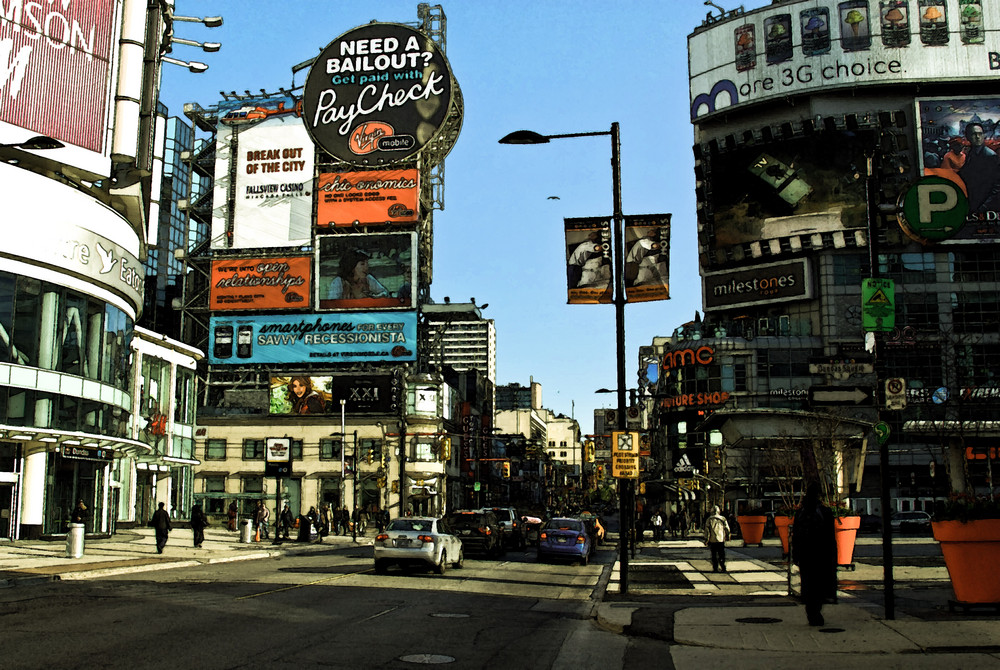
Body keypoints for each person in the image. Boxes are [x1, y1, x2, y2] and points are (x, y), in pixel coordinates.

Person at [792, 481, 837, 626]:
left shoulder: (801, 513)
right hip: (820, 553)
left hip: (807, 554)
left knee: (808, 582)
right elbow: (830, 537)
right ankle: (815, 610)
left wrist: (796, 554)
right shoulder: (824, 512)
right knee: (819, 583)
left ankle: (812, 609)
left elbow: (796, 536)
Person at [958, 122, 1000, 213]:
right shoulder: (971, 152)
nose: (977, 137)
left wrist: (983, 207)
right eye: (974, 134)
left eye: (980, 134)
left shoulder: (990, 156)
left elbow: (996, 185)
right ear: (968, 136)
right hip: (974, 201)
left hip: (984, 205)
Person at [703, 505, 731, 573]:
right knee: (721, 554)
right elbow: (727, 528)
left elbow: (707, 530)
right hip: (721, 539)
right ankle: (723, 566)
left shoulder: (709, 519)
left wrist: (706, 539)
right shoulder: (723, 519)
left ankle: (715, 567)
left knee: (714, 554)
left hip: (712, 540)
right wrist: (728, 535)